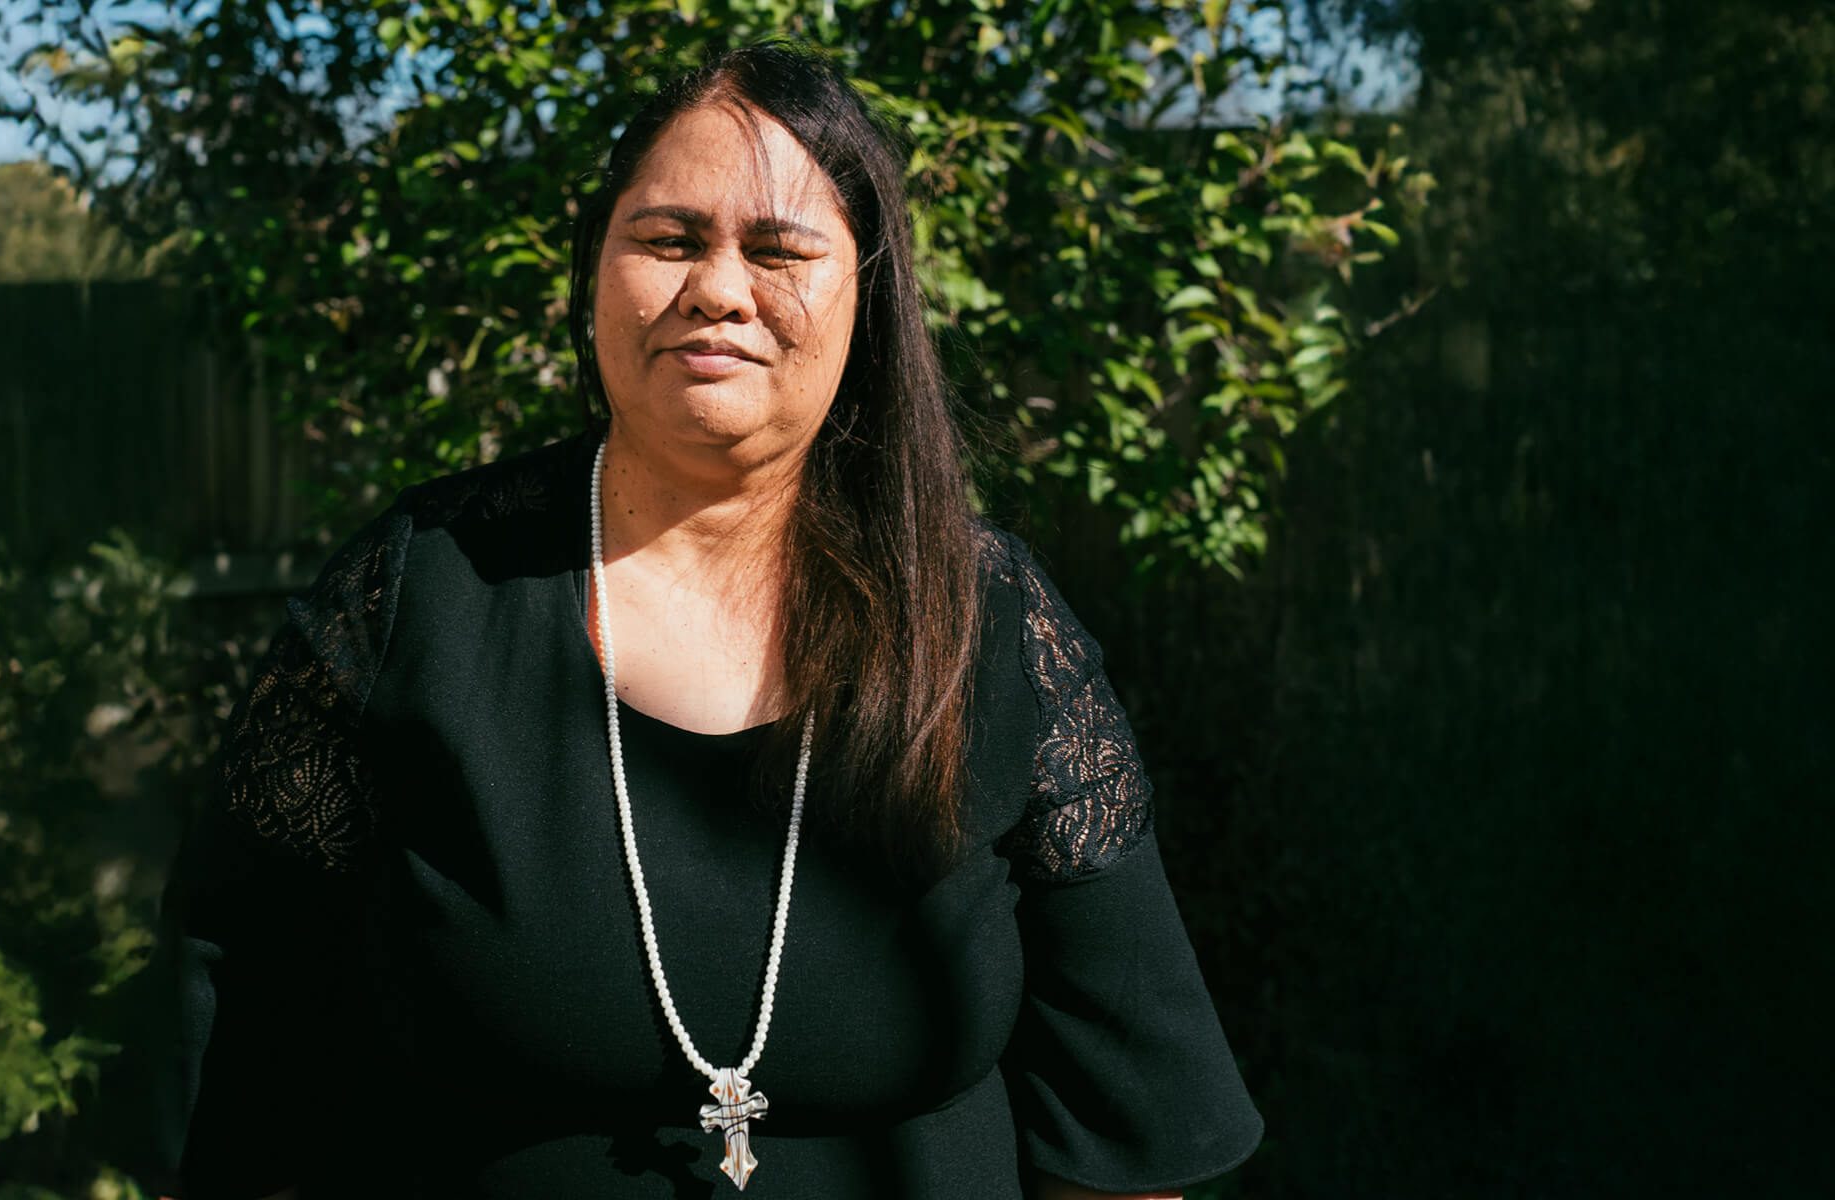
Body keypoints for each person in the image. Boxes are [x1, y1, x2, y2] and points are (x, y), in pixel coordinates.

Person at [131, 36, 1263, 1200]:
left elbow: (1126, 1133)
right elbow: (241, 1056)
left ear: (866, 298)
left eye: (779, 249)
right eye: (669, 240)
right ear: (593, 275)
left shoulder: (988, 622)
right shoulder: (417, 595)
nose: (718, 288)